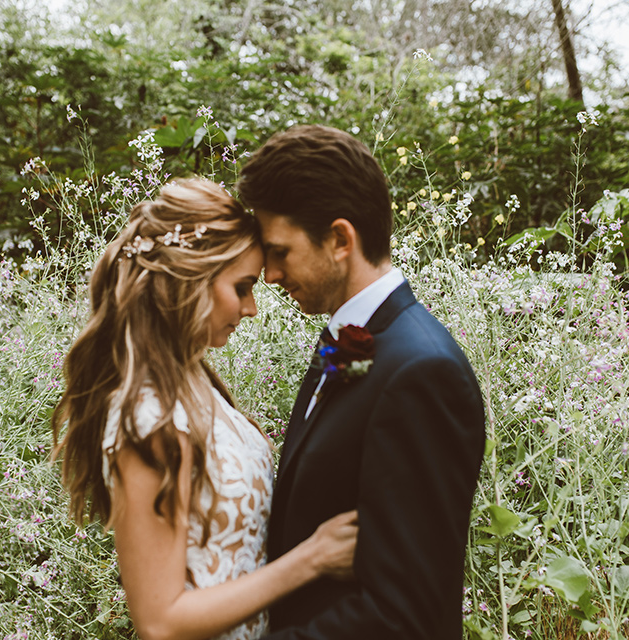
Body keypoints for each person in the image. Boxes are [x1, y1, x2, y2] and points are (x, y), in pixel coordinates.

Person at [51, 178, 358, 640]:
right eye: (242, 287)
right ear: (189, 282)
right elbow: (160, 621)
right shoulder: (149, 419)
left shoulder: (195, 381)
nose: (251, 308)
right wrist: (312, 559)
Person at [236, 125, 486, 639]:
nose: (270, 275)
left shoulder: (422, 373)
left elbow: (404, 615)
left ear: (340, 239)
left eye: (280, 251)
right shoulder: (351, 337)